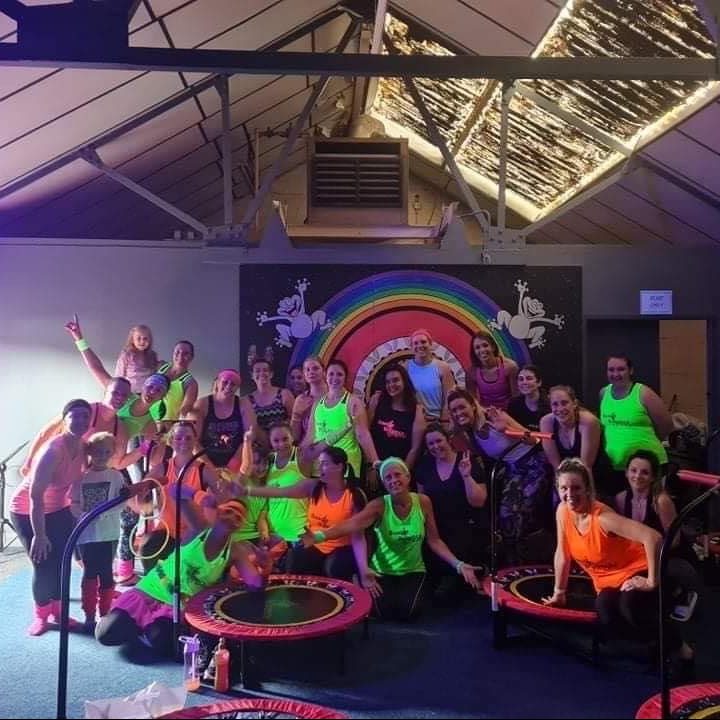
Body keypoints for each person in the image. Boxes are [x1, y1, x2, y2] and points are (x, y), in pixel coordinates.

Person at [543, 458, 694, 671]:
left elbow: (653, 537)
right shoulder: (562, 511)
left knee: (629, 605)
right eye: (564, 488)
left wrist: (651, 581)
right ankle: (655, 645)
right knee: (606, 613)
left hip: (639, 567)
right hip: (609, 579)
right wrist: (559, 591)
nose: (570, 494)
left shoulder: (603, 518)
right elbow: (562, 553)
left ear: (587, 489)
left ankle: (684, 650)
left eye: (576, 488)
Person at [300, 457, 482, 621]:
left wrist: (459, 565)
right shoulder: (379, 505)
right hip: (382, 571)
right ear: (384, 484)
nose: (393, 480)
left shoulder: (423, 502)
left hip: (413, 571)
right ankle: (361, 583)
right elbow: (351, 524)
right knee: (383, 613)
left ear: (408, 477)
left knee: (409, 612)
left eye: (397, 475)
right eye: (388, 478)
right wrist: (318, 536)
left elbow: (434, 541)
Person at [95, 498, 267, 656]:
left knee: (159, 638)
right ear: (219, 511)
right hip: (151, 589)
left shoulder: (236, 550)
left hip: (178, 605)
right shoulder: (199, 528)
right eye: (229, 510)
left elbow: (255, 584)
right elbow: (178, 493)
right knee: (105, 634)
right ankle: (137, 626)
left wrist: (266, 565)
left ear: (240, 526)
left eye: (239, 516)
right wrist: (207, 496)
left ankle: (143, 629)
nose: (233, 516)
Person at [10, 399, 92, 635]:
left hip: (58, 508)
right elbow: (35, 496)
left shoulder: (83, 446)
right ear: (64, 420)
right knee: (44, 564)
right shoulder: (52, 451)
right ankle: (41, 616)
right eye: (74, 416)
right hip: (27, 509)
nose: (80, 420)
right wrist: (40, 534)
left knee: (61, 561)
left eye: (85, 416)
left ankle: (58, 612)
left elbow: (80, 479)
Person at [448, 388, 553, 565]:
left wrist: (507, 429)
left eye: (462, 407)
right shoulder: (469, 432)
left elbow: (535, 439)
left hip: (534, 463)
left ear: (473, 405)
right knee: (504, 516)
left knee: (517, 514)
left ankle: (531, 559)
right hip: (513, 470)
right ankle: (515, 563)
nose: (459, 413)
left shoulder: (494, 417)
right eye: (454, 410)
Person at [238, 447, 369, 581]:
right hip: (315, 544)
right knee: (295, 560)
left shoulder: (355, 495)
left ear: (339, 467)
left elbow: (358, 537)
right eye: (319, 463)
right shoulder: (313, 486)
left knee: (333, 567)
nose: (319, 467)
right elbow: (281, 492)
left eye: (324, 463)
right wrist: (246, 491)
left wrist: (364, 571)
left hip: (342, 548)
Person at [615, 450, 700, 620]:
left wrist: (647, 552)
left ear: (653, 477)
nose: (637, 476)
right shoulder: (620, 499)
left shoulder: (661, 501)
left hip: (670, 555)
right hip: (639, 556)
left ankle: (681, 594)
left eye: (644, 472)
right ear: (626, 473)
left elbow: (674, 541)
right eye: (633, 470)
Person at [416, 424, 487, 598]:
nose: (435, 446)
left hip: (466, 527)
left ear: (448, 440)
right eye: (431, 443)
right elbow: (421, 501)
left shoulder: (467, 460)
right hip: (436, 527)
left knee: (453, 593)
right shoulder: (425, 466)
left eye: (439, 441)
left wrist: (466, 476)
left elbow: (479, 501)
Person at [141, 421, 223, 571]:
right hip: (167, 532)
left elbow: (223, 497)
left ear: (195, 440)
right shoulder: (162, 467)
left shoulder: (204, 470)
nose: (183, 441)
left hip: (194, 532)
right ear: (171, 441)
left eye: (188, 438)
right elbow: (141, 491)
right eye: (178, 438)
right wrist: (145, 505)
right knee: (148, 547)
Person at [20, 376, 136, 475]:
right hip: (55, 469)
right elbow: (45, 433)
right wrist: (28, 462)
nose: (119, 397)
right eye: (115, 393)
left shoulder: (120, 428)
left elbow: (118, 463)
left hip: (82, 480)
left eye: (124, 395)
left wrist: (144, 447)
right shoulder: (83, 410)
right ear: (106, 391)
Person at [70, 432, 127, 630]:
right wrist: (83, 515)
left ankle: (105, 613)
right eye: (97, 451)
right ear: (90, 452)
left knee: (106, 572)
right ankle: (88, 614)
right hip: (86, 535)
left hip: (108, 534)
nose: (102, 456)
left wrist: (102, 514)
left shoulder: (116, 476)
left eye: (106, 452)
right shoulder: (81, 478)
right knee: (89, 573)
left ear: (112, 453)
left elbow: (121, 502)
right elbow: (74, 503)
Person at [599, 354, 673, 493]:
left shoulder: (643, 393)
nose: (616, 374)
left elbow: (667, 425)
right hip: (616, 467)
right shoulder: (603, 393)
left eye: (621, 369)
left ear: (631, 370)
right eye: (611, 370)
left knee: (650, 505)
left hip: (646, 468)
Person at [304, 359, 380, 490]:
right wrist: (297, 458)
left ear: (345, 378)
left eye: (339, 374)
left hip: (346, 469)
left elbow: (363, 435)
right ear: (325, 375)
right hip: (319, 468)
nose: (335, 378)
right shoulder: (317, 404)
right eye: (331, 374)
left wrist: (375, 463)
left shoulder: (353, 402)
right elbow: (310, 436)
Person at [540, 385, 614, 498]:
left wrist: (590, 501)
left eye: (564, 403)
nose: (560, 409)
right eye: (555, 404)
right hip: (567, 480)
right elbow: (557, 466)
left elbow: (586, 466)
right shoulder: (546, 422)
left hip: (595, 477)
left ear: (574, 404)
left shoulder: (589, 422)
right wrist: (563, 499)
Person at [193, 369, 256, 472]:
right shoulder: (202, 404)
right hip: (205, 462)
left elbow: (249, 438)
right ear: (217, 383)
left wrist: (230, 468)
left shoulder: (243, 404)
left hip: (236, 462)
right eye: (225, 382)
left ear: (237, 387)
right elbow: (194, 442)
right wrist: (211, 469)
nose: (228, 386)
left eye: (233, 384)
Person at [368, 363, 426, 470]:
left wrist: (402, 474)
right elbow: (367, 434)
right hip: (376, 467)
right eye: (388, 382)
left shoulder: (417, 410)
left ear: (404, 381)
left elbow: (415, 448)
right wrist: (373, 466)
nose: (391, 385)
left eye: (395, 380)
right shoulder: (376, 401)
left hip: (401, 471)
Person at [405, 329, 455, 424]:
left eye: (423, 342)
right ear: (411, 347)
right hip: (412, 421)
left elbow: (449, 397)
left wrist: (444, 421)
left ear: (431, 344)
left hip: (436, 421)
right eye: (415, 343)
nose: (420, 345)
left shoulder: (443, 367)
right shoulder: (405, 367)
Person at [466, 331, 518, 411]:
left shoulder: (510, 367)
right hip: (485, 413)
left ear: (493, 347)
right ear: (474, 352)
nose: (482, 350)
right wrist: (485, 412)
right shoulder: (471, 372)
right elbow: (473, 401)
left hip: (509, 412)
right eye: (477, 348)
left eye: (485, 345)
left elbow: (516, 397)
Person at [151, 340, 198, 429]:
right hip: (146, 422)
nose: (180, 356)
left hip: (165, 428)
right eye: (177, 352)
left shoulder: (191, 384)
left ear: (191, 357)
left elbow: (184, 411)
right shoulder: (160, 366)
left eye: (186, 353)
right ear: (173, 353)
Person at [248, 358, 295, 435]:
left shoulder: (284, 394)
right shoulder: (248, 400)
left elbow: (294, 419)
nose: (262, 373)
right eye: (257, 371)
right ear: (252, 375)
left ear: (271, 374)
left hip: (283, 440)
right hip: (259, 441)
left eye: (265, 370)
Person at [290, 356, 327, 444]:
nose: (311, 372)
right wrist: (297, 416)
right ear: (304, 375)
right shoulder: (300, 399)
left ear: (324, 372)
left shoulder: (336, 394)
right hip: (309, 447)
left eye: (315, 368)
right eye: (307, 369)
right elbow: (294, 437)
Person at [114, 324, 159, 394]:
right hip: (130, 393)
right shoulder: (126, 355)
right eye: (138, 338)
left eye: (145, 338)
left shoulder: (153, 355)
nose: (142, 341)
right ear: (132, 340)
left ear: (150, 340)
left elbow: (154, 375)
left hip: (148, 393)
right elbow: (119, 376)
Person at [507, 365, 548, 432]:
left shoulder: (550, 404)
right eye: (521, 379)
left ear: (539, 382)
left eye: (529, 378)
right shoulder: (513, 404)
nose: (524, 382)